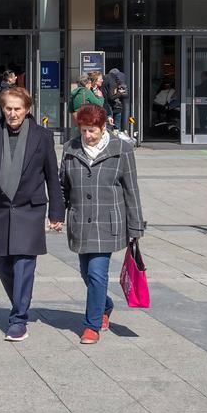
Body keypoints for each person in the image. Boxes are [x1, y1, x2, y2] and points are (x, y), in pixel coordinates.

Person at [0, 86, 65, 341]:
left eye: (17, 109)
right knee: (1, 261)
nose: (12, 113)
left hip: (30, 207)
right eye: (8, 108)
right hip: (2, 208)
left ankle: (19, 319)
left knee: (23, 262)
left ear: (27, 109)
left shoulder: (42, 136)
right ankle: (21, 303)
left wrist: (56, 212)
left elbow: (53, 176)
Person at [59, 104, 145, 344]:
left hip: (107, 222)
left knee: (97, 273)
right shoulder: (69, 149)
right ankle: (105, 305)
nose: (87, 136)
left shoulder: (122, 150)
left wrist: (136, 226)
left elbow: (131, 190)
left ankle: (91, 325)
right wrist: (56, 214)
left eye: (92, 131)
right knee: (87, 274)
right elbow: (62, 187)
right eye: (84, 130)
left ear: (103, 127)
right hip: (80, 222)